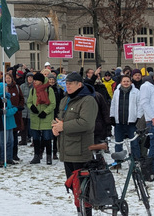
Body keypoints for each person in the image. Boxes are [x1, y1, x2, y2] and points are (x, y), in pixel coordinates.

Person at [52, 73, 98, 216]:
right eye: (67, 83)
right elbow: (59, 119)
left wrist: (63, 126)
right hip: (67, 150)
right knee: (73, 187)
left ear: (80, 84)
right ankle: (80, 211)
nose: (68, 86)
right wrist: (54, 127)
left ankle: (86, 213)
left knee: (84, 189)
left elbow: (86, 123)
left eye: (71, 83)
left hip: (80, 151)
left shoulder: (88, 100)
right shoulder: (65, 99)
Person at [27, 72, 56, 164]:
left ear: (41, 81)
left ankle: (48, 156)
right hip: (35, 117)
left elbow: (53, 104)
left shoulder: (49, 90)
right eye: (34, 80)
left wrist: (45, 112)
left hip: (46, 117)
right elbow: (29, 102)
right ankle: (36, 156)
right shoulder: (33, 90)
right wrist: (32, 107)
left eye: (36, 80)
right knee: (35, 138)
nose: (34, 82)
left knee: (47, 138)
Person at [110, 75, 141, 156]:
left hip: (132, 122)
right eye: (124, 81)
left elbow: (140, 106)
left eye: (128, 81)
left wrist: (138, 117)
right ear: (121, 82)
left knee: (134, 143)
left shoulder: (136, 92)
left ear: (131, 82)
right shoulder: (117, 92)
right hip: (119, 122)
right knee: (118, 143)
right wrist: (112, 116)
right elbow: (113, 104)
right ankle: (118, 162)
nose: (126, 83)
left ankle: (136, 162)